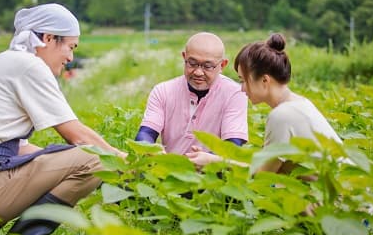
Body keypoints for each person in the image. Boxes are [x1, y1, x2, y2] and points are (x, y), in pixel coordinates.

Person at [0, 3, 125, 235]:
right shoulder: (29, 66)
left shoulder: (9, 62)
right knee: (94, 158)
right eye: (70, 47)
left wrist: (58, 165)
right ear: (48, 38)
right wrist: (126, 161)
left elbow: (19, 147)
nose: (70, 57)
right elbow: (78, 137)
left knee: (67, 157)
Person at [187, 33, 342, 174]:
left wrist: (213, 161)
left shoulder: (282, 115)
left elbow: (264, 174)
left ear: (264, 80)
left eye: (243, 80)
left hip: (339, 197)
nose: (241, 88)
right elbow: (270, 165)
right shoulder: (298, 103)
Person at [135, 32, 248, 157]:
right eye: (192, 63)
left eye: (208, 66)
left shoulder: (234, 93)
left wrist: (209, 159)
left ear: (222, 65)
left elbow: (234, 144)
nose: (198, 72)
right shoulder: (163, 91)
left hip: (213, 172)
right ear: (184, 57)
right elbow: (146, 133)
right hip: (169, 170)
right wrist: (151, 149)